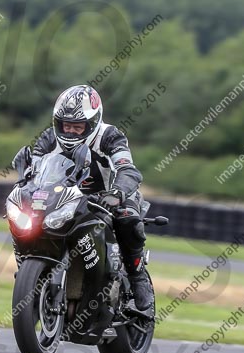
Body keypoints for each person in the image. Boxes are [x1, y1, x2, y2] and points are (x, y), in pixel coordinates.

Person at [30, 84, 154, 317]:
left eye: (78, 127)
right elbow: (32, 171)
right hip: (66, 198)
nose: (71, 132)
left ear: (93, 121)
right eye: (66, 125)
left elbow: (128, 170)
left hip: (109, 195)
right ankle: (33, 273)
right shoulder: (47, 138)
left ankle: (137, 277)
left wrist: (117, 192)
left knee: (128, 218)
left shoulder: (110, 136)